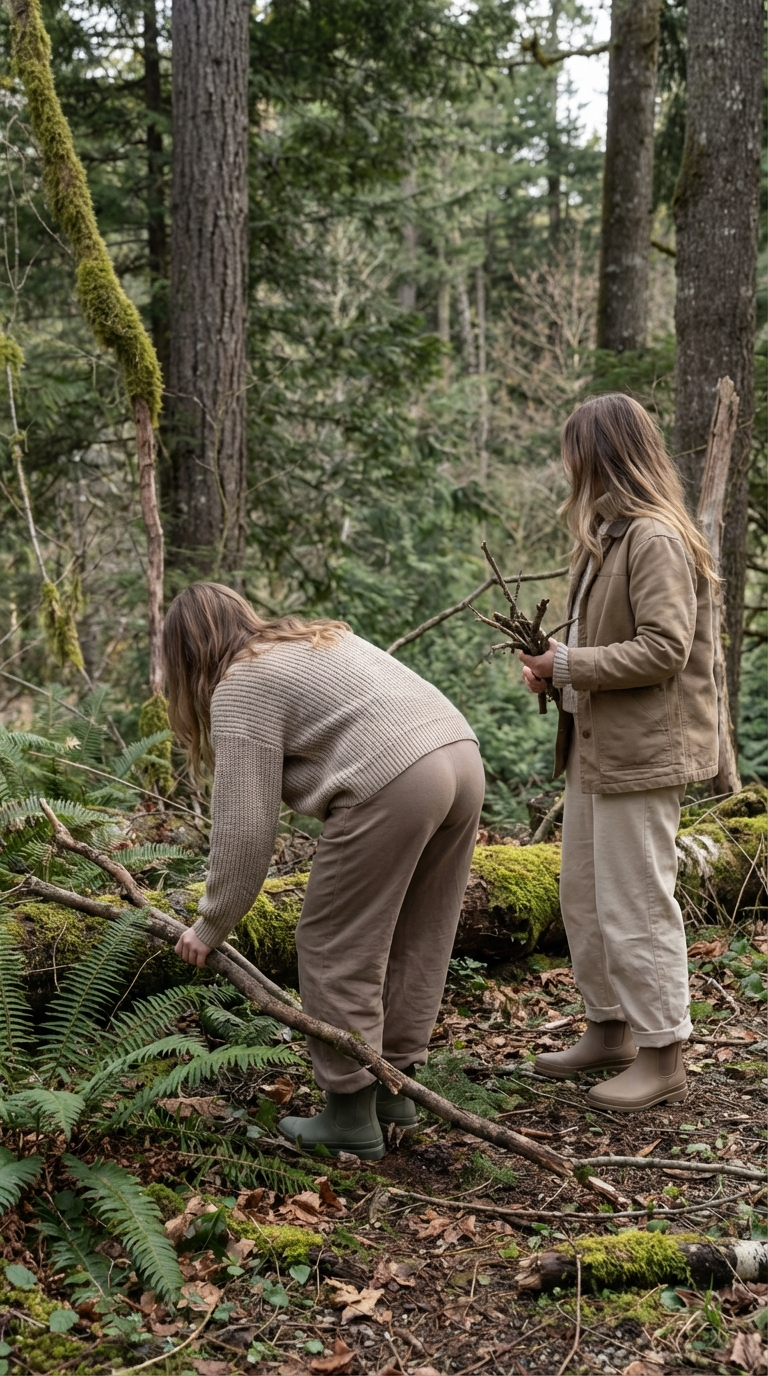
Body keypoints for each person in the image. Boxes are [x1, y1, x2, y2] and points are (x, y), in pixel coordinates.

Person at [165, 583, 485, 1158]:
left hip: (399, 777)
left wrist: (209, 924)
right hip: (460, 753)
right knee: (420, 931)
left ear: (183, 654)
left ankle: (349, 1116)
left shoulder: (241, 683)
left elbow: (244, 832)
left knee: (334, 942)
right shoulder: (311, 642)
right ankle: (396, 1094)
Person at [519, 394, 718, 1113]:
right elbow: (597, 645)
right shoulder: (607, 537)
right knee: (586, 898)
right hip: (594, 748)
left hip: (642, 753)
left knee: (636, 902)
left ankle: (664, 1051)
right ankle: (609, 1031)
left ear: (604, 453)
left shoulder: (655, 538)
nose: (566, 463)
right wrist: (550, 665)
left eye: (575, 449)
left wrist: (569, 664)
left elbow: (664, 649)